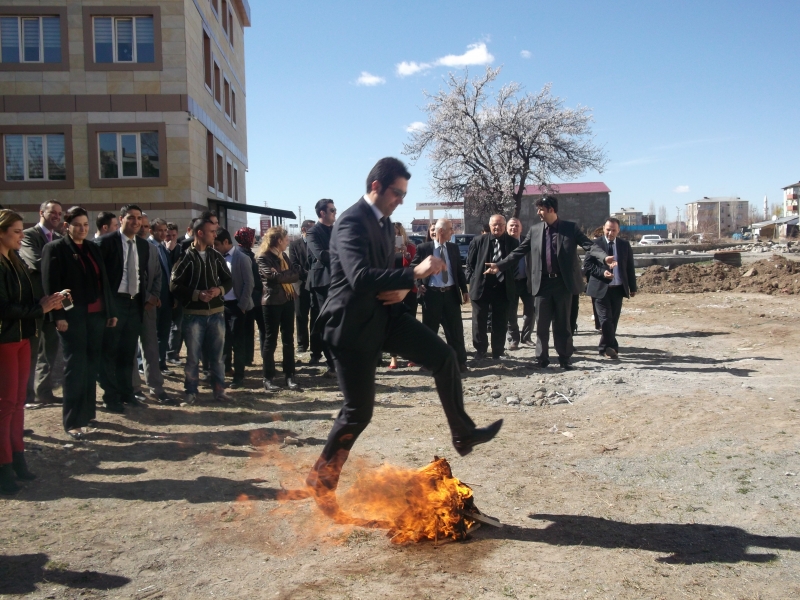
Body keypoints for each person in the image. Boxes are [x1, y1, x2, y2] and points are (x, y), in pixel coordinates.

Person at [306, 157, 502, 511]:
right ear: (377, 187)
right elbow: (359, 277)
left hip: (385, 315)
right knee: (357, 412)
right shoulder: (351, 221)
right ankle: (321, 477)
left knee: (443, 357)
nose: (401, 200)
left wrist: (401, 289)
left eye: (404, 194)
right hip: (349, 327)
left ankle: (463, 432)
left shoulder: (383, 224)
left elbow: (381, 276)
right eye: (397, 192)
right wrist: (414, 273)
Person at [484, 196, 612, 370]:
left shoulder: (570, 228)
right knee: (542, 325)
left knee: (562, 324)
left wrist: (605, 258)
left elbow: (589, 245)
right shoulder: (535, 230)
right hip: (542, 284)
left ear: (551, 210)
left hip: (562, 283)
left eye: (541, 209)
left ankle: (565, 358)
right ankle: (542, 359)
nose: (538, 213)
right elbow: (519, 252)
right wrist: (499, 265)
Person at [0, 209, 64, 494]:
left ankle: (17, 456)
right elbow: (4, 308)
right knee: (5, 405)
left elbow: (23, 299)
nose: (20, 235)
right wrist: (40, 308)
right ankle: (4, 465)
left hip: (23, 337)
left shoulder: (14, 261)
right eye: (15, 231)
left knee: (17, 403)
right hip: (5, 340)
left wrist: (46, 301)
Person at [42, 207, 117, 439]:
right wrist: (58, 316)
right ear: (67, 226)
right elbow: (50, 285)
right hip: (72, 317)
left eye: (85, 224)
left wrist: (110, 311)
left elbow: (103, 281)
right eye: (78, 225)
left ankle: (87, 414)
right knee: (76, 367)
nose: (82, 229)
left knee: (92, 364)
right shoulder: (55, 249)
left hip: (96, 314)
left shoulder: (93, 248)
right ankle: (73, 421)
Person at [170, 217, 232, 404]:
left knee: (217, 357)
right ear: (200, 233)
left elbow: (228, 280)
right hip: (194, 316)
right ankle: (190, 392)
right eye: (212, 231)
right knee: (192, 357)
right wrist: (197, 294)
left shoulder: (216, 257)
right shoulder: (186, 258)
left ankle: (219, 391)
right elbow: (174, 285)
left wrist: (219, 290)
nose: (215, 235)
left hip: (217, 313)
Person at [96, 204, 151, 412]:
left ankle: (127, 393)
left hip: (134, 303)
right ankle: (111, 398)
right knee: (109, 352)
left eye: (138, 218)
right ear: (121, 219)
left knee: (128, 352)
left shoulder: (144, 245)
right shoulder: (105, 243)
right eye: (131, 218)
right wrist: (107, 308)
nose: (136, 222)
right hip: (113, 303)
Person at [19, 200, 63, 407]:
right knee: (32, 351)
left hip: (54, 304)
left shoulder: (60, 238)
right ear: (41, 213)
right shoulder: (28, 236)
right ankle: (27, 397)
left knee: (50, 349)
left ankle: (43, 391)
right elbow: (36, 262)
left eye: (59, 213)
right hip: (36, 303)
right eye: (52, 212)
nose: (56, 216)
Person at [412, 218, 469, 372]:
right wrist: (419, 285)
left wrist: (464, 290)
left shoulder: (453, 248)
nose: (453, 231)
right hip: (432, 295)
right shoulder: (424, 248)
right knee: (430, 330)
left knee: (455, 330)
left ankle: (460, 362)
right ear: (442, 231)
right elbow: (413, 267)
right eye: (451, 229)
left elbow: (458, 271)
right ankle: (428, 362)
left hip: (450, 294)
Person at [167, 212, 219, 365]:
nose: (215, 228)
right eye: (213, 224)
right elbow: (175, 278)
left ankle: (207, 366)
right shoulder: (184, 246)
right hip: (189, 299)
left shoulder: (213, 248)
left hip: (209, 300)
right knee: (185, 331)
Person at [466, 214, 519, 360]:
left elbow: (514, 265)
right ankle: (480, 350)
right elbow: (470, 264)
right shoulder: (478, 241)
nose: (498, 227)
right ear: (490, 226)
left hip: (502, 288)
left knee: (500, 322)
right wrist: (473, 280)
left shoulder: (512, 242)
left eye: (501, 224)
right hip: (481, 287)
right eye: (495, 224)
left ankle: (498, 351)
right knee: (479, 321)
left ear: (505, 226)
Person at [584, 218, 636, 359]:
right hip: (600, 288)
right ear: (603, 228)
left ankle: (606, 347)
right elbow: (587, 266)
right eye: (608, 229)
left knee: (613, 320)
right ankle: (610, 347)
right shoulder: (595, 244)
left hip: (618, 288)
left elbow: (629, 267)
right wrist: (602, 272)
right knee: (605, 320)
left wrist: (632, 286)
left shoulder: (624, 245)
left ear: (618, 230)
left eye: (613, 230)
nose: (610, 232)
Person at [258, 226, 300, 391]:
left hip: (288, 300)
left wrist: (283, 275)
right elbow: (273, 277)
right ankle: (268, 378)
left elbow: (295, 273)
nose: (288, 241)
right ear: (278, 241)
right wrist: (284, 275)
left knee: (288, 340)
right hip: (272, 303)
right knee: (270, 341)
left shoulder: (283, 256)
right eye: (286, 239)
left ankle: (290, 375)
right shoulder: (263, 258)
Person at [214, 228, 254, 389]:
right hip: (221, 306)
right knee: (223, 342)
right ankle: (224, 371)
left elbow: (248, 283)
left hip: (237, 306)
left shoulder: (241, 258)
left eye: (217, 244)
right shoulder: (216, 258)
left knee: (238, 342)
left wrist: (242, 307)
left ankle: (239, 376)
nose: (214, 247)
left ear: (225, 242)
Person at [305, 199, 336, 376]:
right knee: (325, 322)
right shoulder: (313, 232)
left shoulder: (336, 230)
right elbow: (321, 255)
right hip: (322, 283)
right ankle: (332, 363)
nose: (335, 213)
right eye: (332, 210)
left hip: (339, 281)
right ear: (322, 213)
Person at [388, 222, 417, 370]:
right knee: (392, 323)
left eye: (398, 233)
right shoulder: (385, 249)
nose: (396, 236)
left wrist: (406, 254)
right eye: (393, 233)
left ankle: (411, 355)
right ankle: (394, 358)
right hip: (392, 289)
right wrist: (390, 252)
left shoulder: (411, 247)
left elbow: (413, 268)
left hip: (409, 290)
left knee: (410, 322)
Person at [234, 227, 264, 366]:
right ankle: (247, 358)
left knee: (256, 329)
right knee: (247, 330)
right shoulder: (241, 255)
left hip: (255, 297)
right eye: (252, 237)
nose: (254, 240)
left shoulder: (247, 253)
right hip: (250, 298)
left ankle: (251, 357)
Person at [505, 218, 535, 350]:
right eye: (511, 226)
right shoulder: (503, 243)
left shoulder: (528, 242)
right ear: (507, 228)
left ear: (521, 228)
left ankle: (526, 337)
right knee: (511, 312)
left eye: (516, 226)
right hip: (510, 283)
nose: (514, 228)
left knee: (531, 311)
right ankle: (514, 339)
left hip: (526, 282)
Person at [148, 218, 173, 373]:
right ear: (152, 231)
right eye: (160, 230)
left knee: (164, 332)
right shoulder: (149, 247)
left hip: (166, 297)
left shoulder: (163, 248)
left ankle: (161, 362)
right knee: (152, 334)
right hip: (153, 298)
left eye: (165, 230)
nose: (164, 233)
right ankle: (152, 364)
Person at [289, 220, 316, 354]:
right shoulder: (294, 245)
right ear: (304, 230)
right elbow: (294, 265)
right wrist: (309, 274)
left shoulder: (317, 243)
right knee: (301, 316)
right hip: (300, 285)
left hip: (316, 285)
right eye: (311, 229)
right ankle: (302, 343)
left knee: (315, 316)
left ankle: (315, 345)